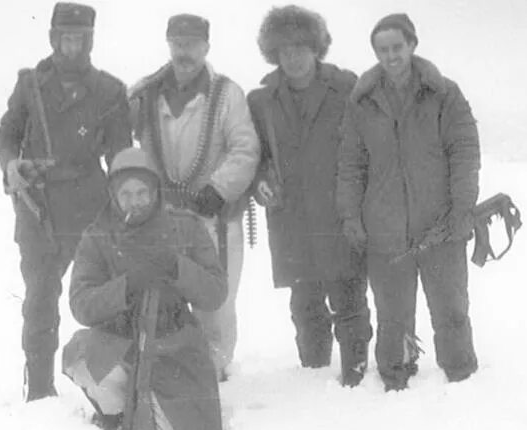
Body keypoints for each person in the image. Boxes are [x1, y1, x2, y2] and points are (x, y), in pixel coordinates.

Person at [0, 2, 131, 401]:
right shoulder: (29, 85)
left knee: (105, 296)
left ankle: (113, 388)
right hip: (38, 209)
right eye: (65, 38)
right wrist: (11, 164)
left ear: (89, 41)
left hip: (91, 207)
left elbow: (121, 154)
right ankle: (39, 391)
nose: (71, 47)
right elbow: (6, 136)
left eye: (79, 39)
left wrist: (125, 206)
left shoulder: (109, 90)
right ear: (53, 38)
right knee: (39, 297)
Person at [337, 13, 480, 391]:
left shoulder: (444, 93)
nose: (391, 56)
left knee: (450, 307)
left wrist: (461, 208)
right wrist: (351, 216)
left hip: (441, 226)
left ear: (412, 45)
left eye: (397, 47)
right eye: (382, 50)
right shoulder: (362, 101)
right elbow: (351, 165)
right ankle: (396, 376)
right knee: (393, 314)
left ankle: (460, 374)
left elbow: (464, 153)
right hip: (384, 229)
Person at [62, 147, 226, 430]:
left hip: (175, 348)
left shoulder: (185, 227)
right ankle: (118, 410)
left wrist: (176, 267)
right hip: (122, 344)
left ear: (155, 192)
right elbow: (81, 304)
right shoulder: (98, 236)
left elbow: (216, 292)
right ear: (113, 195)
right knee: (78, 355)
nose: (134, 201)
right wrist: (125, 287)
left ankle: (151, 406)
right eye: (126, 194)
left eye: (142, 192)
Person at [128, 14, 259, 379]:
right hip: (162, 214)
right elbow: (117, 130)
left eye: (192, 43)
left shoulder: (226, 93)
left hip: (213, 216)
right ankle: (168, 367)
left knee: (216, 298)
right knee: (161, 293)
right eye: (178, 43)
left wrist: (219, 188)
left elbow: (245, 148)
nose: (184, 51)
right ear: (168, 44)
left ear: (206, 47)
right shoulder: (145, 92)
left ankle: (214, 369)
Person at [247, 5, 372, 386]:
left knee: (348, 295)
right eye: (284, 49)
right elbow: (255, 155)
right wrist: (261, 181)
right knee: (304, 302)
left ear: (317, 48)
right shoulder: (261, 99)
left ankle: (355, 372)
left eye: (301, 47)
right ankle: (313, 377)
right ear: (274, 53)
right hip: (291, 216)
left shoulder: (347, 87)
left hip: (339, 211)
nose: (294, 57)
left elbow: (369, 146)